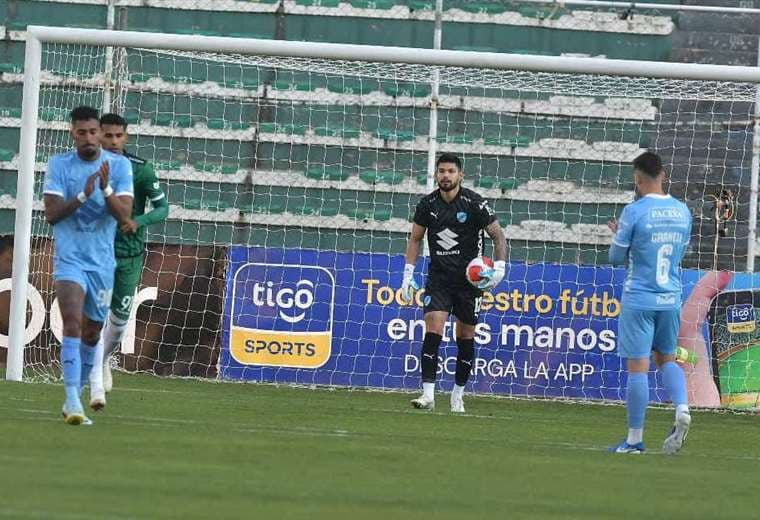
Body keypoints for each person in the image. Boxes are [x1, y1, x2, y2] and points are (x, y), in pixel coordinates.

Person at [43, 105, 133, 425]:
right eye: (81, 132)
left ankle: (77, 395)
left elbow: (124, 216)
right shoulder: (59, 165)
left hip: (102, 263)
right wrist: (82, 195)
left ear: (99, 132)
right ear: (73, 134)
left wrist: (105, 189)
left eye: (93, 131)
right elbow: (52, 214)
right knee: (71, 323)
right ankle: (72, 399)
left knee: (93, 334)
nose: (89, 138)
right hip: (70, 259)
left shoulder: (119, 167)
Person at [401, 153, 507, 413]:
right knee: (433, 330)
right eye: (441, 171)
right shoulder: (427, 204)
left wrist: (500, 268)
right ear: (436, 175)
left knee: (465, 337)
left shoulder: (475, 203)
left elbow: (498, 235)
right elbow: (415, 239)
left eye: (450, 171)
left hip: (470, 282)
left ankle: (457, 395)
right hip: (439, 278)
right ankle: (428, 395)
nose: (445, 176)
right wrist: (407, 273)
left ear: (460, 175)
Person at [607, 151, 692, 454]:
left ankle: (634, 440)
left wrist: (620, 238)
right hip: (671, 298)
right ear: (663, 175)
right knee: (667, 359)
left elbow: (616, 257)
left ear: (638, 179)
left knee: (638, 368)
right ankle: (682, 407)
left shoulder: (634, 211)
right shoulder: (683, 211)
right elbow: (680, 252)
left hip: (640, 297)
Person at [88, 113, 168, 410]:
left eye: (118, 136)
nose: (113, 141)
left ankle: (104, 359)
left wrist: (139, 221)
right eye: (107, 136)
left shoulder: (142, 171)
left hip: (129, 255)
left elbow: (163, 208)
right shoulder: (86, 167)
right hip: (97, 254)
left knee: (119, 324)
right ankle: (95, 377)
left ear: (126, 137)